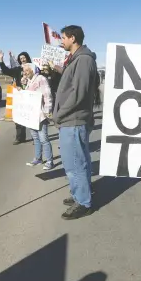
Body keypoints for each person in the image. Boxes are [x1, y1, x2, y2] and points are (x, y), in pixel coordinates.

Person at [53, 25, 101, 220]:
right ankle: (80, 193)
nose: (61, 41)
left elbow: (78, 93)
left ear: (73, 39)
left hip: (72, 119)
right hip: (73, 119)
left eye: (63, 38)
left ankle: (83, 202)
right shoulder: (78, 59)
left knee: (74, 163)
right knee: (80, 160)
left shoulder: (83, 60)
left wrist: (59, 114)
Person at [21, 63, 54, 170]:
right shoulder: (29, 81)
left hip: (40, 114)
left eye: (26, 70)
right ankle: (38, 158)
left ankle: (49, 161)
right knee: (35, 138)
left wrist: (47, 110)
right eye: (24, 71)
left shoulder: (41, 79)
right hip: (32, 115)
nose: (24, 72)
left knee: (43, 138)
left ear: (32, 70)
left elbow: (47, 95)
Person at [0, 50, 30, 145]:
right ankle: (20, 137)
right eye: (21, 59)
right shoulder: (17, 70)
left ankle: (37, 139)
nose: (23, 60)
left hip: (31, 96)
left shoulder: (34, 68)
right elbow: (6, 71)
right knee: (19, 116)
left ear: (27, 58)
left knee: (31, 117)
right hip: (20, 96)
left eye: (24, 58)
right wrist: (1, 60)